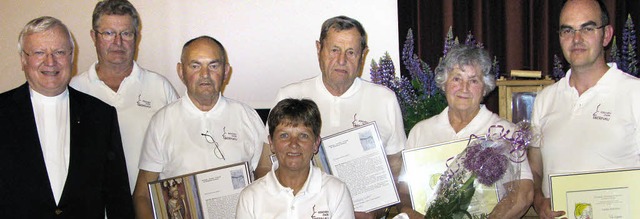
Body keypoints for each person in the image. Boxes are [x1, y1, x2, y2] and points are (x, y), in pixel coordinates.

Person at [255, 15, 406, 218]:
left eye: (351, 52)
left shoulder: (384, 99)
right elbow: (265, 166)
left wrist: (376, 211)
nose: (341, 60)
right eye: (334, 50)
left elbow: (397, 169)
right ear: (319, 49)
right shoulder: (290, 95)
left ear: (363, 55)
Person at [0, 16, 133, 217]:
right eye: (39, 52)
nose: (50, 61)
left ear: (72, 57)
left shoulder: (101, 116)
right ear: (23, 60)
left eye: (59, 52)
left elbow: (118, 196)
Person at [132, 36, 266, 218]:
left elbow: (267, 177)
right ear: (181, 71)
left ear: (226, 72)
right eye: (195, 66)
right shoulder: (162, 122)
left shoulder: (247, 116)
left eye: (213, 66)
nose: (205, 74)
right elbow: (141, 195)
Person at [529, 0, 640, 218]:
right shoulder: (544, 100)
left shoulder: (634, 93)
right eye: (567, 30)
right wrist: (539, 201)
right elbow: (534, 170)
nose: (576, 39)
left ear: (606, 35)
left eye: (587, 28)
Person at [403, 45, 533, 218]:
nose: (464, 88)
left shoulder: (505, 132)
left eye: (473, 81)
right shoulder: (420, 131)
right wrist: (411, 213)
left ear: (485, 87)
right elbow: (405, 191)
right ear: (444, 83)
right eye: (456, 79)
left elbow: (523, 194)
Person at [70, 0, 178, 192]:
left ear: (137, 37)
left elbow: (179, 151)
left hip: (149, 208)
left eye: (126, 33)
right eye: (109, 33)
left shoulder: (160, 88)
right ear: (94, 37)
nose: (118, 42)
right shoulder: (75, 90)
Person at [236, 98, 355, 218]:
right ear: (271, 143)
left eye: (303, 135)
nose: (294, 144)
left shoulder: (336, 192)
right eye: (284, 135)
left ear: (316, 143)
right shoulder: (250, 197)